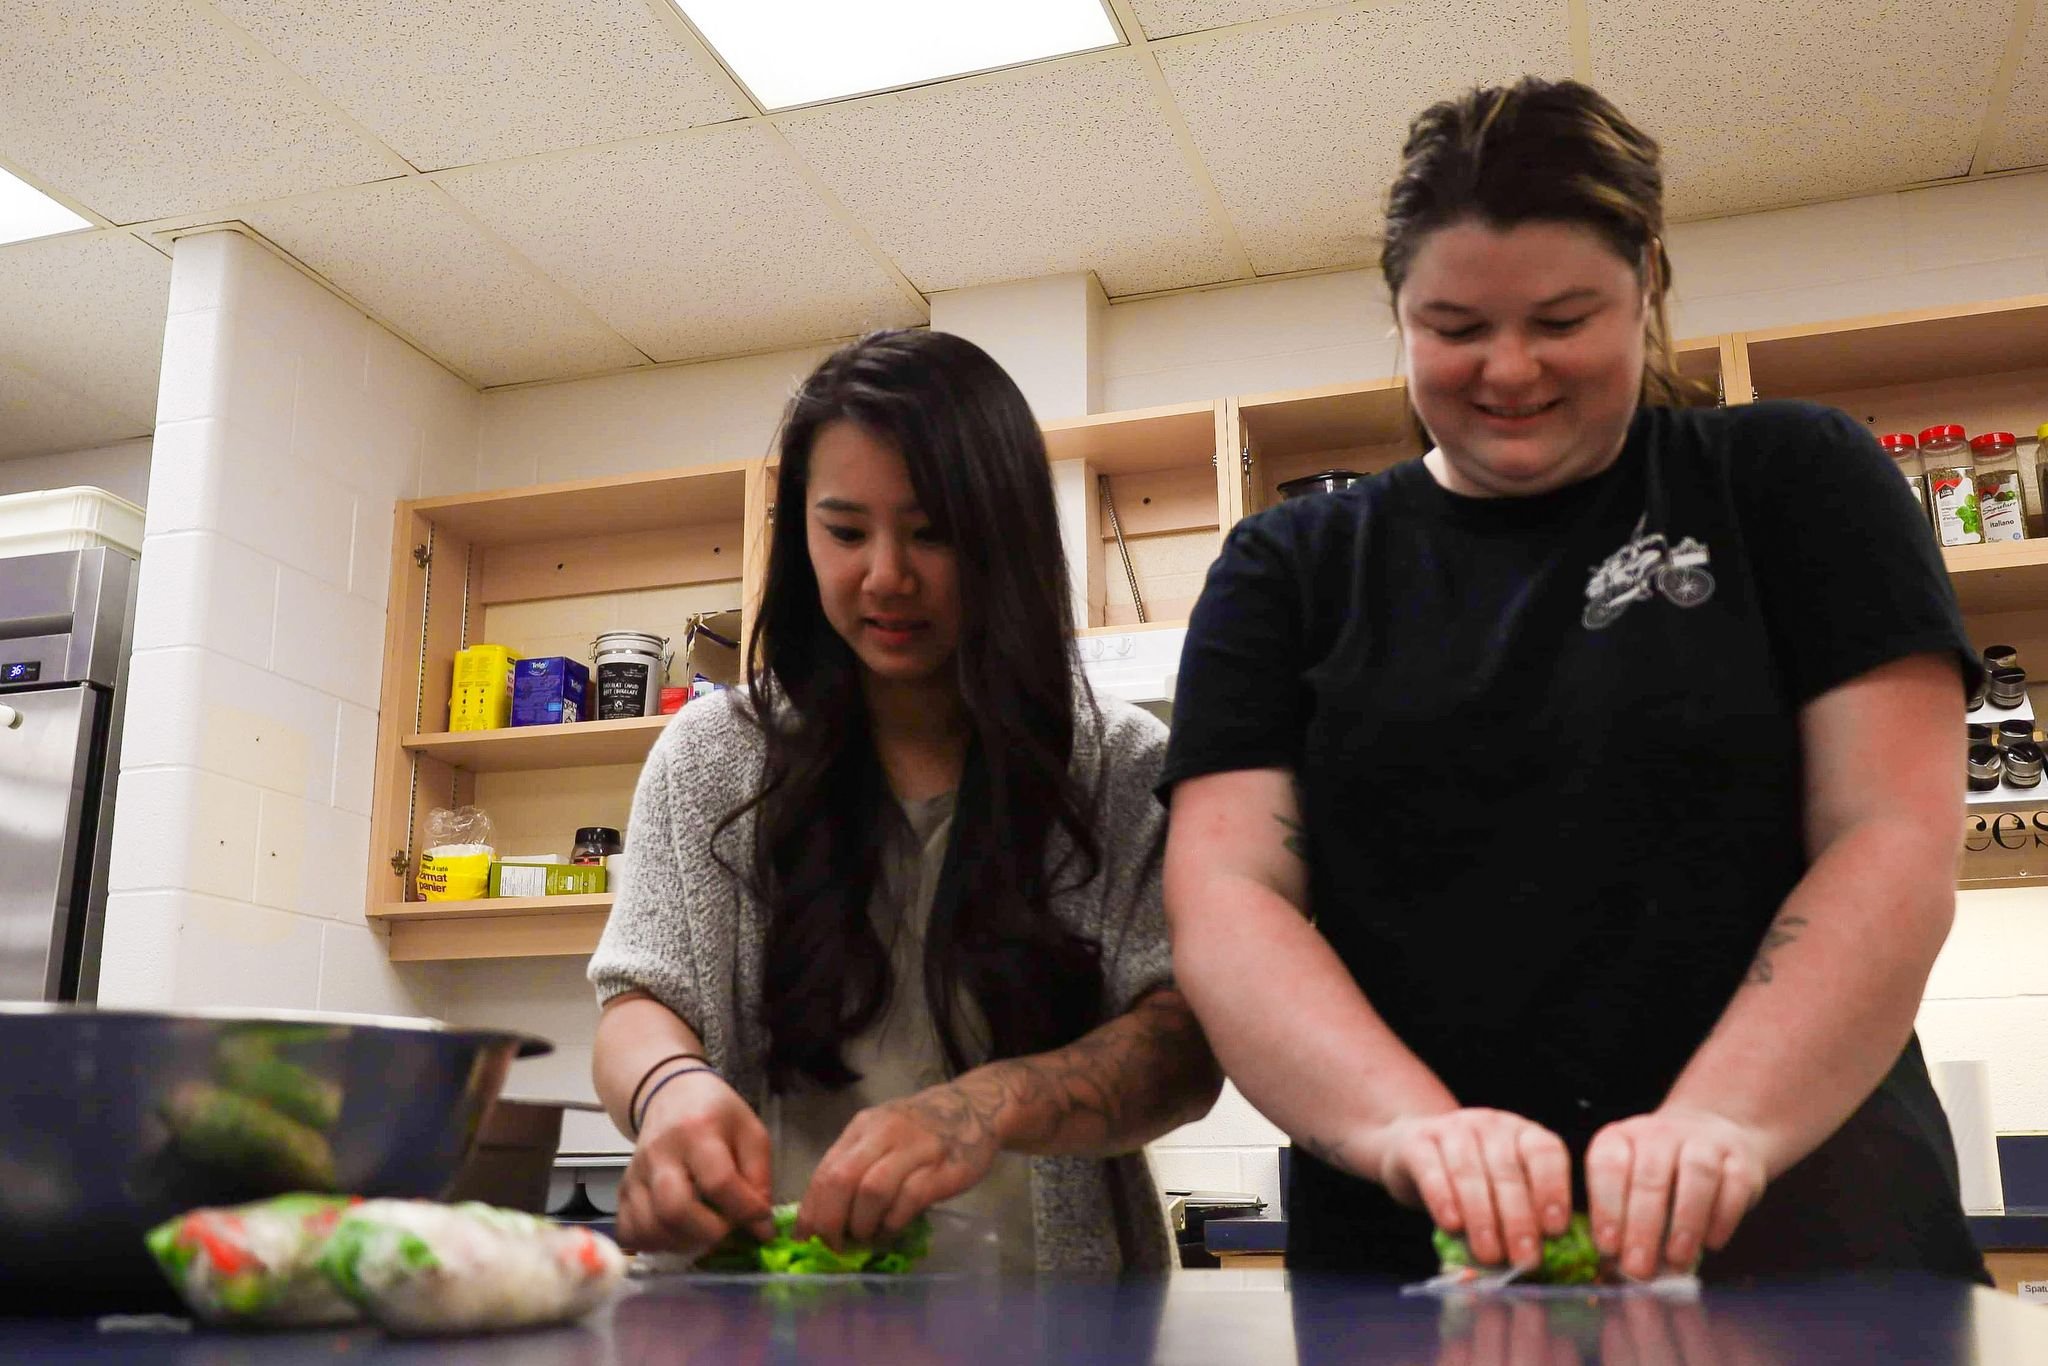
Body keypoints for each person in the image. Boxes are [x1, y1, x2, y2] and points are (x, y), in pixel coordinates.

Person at [1159, 78, 1988, 1283]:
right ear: (1395, 313)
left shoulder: (1791, 480)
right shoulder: (1289, 565)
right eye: (1451, 328)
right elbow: (1228, 897)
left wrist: (1723, 1121)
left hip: (1809, 1245)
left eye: (1559, 320)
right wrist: (1408, 1128)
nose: (1506, 371)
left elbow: (1889, 836)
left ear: (1646, 281)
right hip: (1415, 1265)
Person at [588, 329, 1221, 1275]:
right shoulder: (712, 756)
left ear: (1004, 536)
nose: (887, 575)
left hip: (1056, 1320)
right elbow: (643, 995)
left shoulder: (1126, 769)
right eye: (845, 532)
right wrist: (671, 1091)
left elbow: (1182, 1049)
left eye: (934, 532)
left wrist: (986, 1106)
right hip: (763, 1312)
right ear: (800, 534)